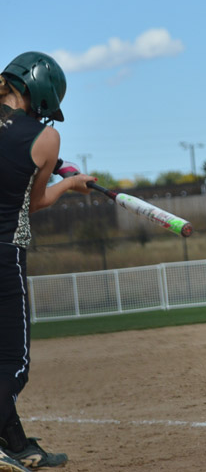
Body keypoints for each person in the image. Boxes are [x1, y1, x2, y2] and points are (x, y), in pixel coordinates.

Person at [0, 52, 94, 470]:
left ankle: (17, 445)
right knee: (13, 363)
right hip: (4, 253)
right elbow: (35, 201)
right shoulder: (45, 138)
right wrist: (71, 183)